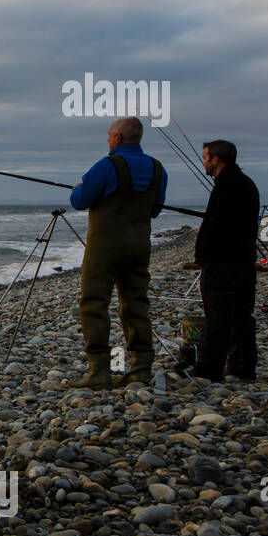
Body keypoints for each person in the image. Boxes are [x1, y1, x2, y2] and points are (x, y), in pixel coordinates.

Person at [68, 117, 168, 388]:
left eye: (110, 136)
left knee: (94, 303)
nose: (108, 141)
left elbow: (80, 201)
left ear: (118, 138)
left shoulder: (107, 165)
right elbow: (155, 210)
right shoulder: (158, 170)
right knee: (136, 304)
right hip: (139, 247)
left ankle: (99, 371)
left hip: (105, 247)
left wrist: (78, 189)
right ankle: (140, 369)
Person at [192, 140, 259, 381]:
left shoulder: (226, 186)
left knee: (217, 315)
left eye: (206, 158)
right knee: (242, 314)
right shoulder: (246, 183)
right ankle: (243, 368)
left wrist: (202, 255)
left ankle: (209, 370)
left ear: (216, 160)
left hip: (222, 263)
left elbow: (215, 226)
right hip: (244, 260)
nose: (204, 163)